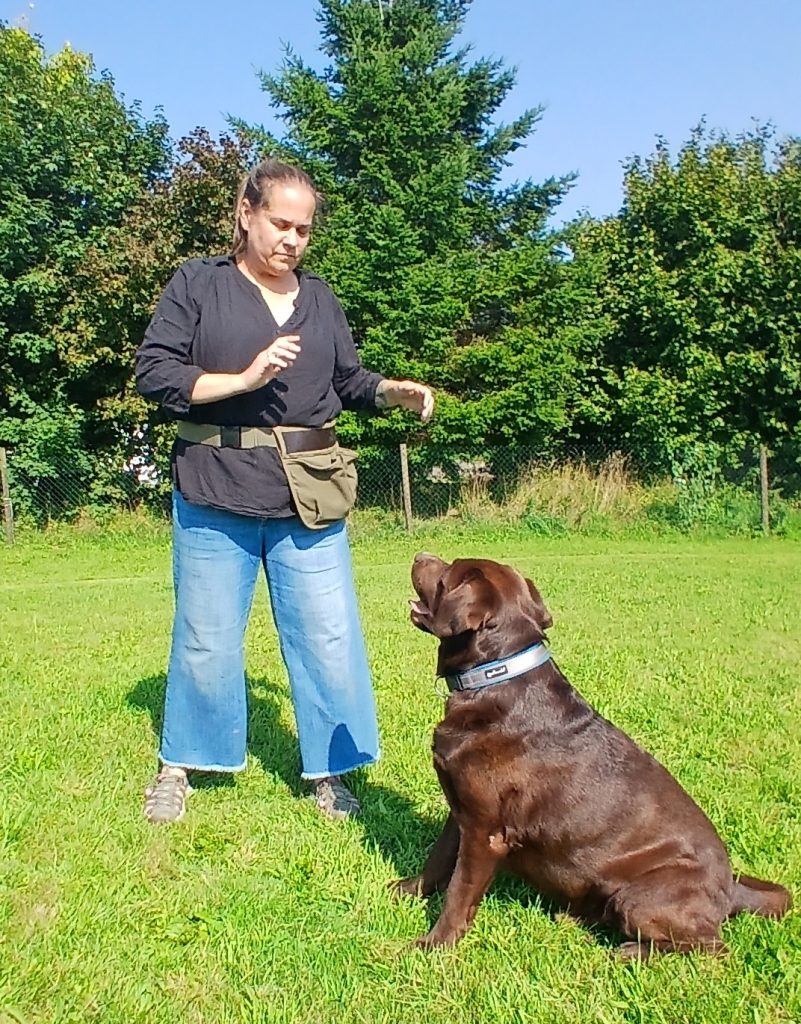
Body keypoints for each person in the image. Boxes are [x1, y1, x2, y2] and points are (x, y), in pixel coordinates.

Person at [135, 158, 434, 824]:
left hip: (310, 493)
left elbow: (349, 380)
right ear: (245, 212)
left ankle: (330, 770)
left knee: (327, 636)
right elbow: (154, 374)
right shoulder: (197, 285)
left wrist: (389, 392)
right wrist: (241, 378)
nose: (291, 240)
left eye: (302, 229)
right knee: (206, 638)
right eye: (279, 223)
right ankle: (181, 763)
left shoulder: (319, 297)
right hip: (215, 488)